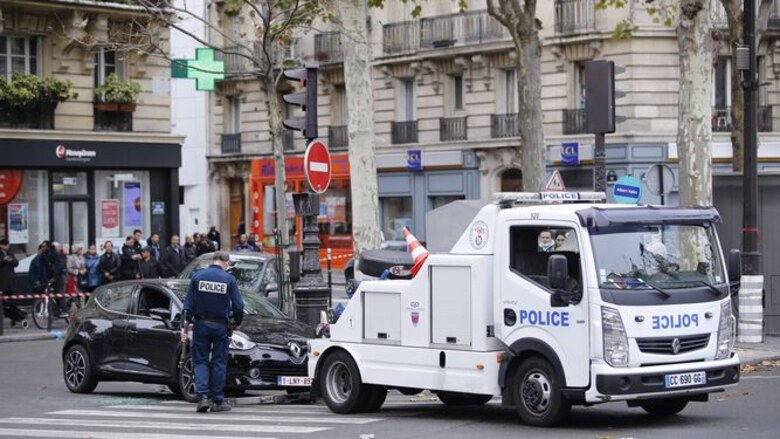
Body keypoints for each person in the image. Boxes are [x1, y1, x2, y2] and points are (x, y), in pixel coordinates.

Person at [181, 251, 244, 413]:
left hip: (200, 324)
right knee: (218, 362)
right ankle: (217, 400)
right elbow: (239, 306)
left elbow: (188, 304)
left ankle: (202, 398)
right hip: (220, 326)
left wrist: (185, 326)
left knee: (200, 361)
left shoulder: (198, 276)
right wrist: (237, 322)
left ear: (214, 260)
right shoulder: (228, 279)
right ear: (225, 262)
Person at [1, 238, 24, 326]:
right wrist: (4, 260)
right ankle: (12, 316)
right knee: (4, 303)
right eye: (6, 245)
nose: (7, 247)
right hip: (2, 281)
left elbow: (16, 263)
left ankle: (14, 318)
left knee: (10, 301)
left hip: (10, 281)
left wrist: (11, 261)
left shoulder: (10, 252)